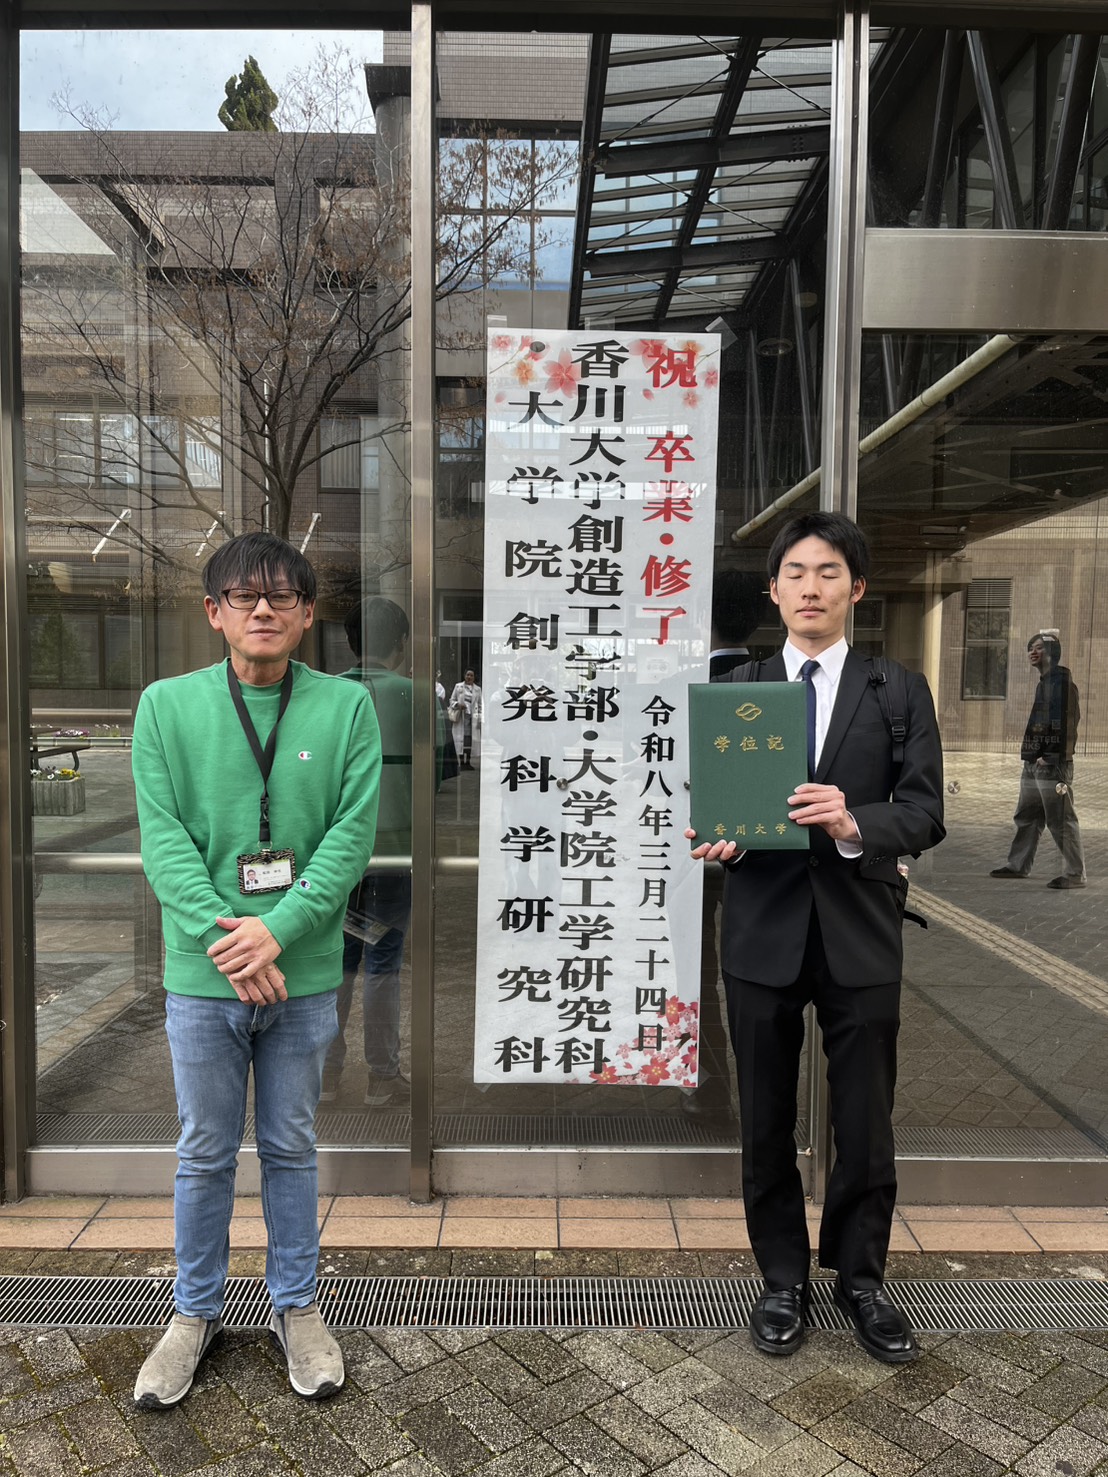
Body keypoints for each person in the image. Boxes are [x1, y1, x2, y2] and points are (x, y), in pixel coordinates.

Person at [686, 511, 944, 1365]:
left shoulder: (897, 689)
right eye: (794, 572)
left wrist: (852, 818)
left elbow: (924, 812)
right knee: (763, 1116)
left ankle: (861, 1280)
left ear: (856, 588)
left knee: (866, 1119)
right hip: (761, 928)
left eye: (829, 571)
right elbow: (713, 803)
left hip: (860, 932)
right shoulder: (740, 687)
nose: (810, 587)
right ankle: (781, 1278)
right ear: (772, 589)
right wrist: (719, 838)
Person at [131, 532, 381, 1410]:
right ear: (215, 612)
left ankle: (297, 1306)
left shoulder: (347, 707)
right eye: (245, 595)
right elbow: (163, 841)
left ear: (308, 614)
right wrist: (232, 942)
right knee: (203, 1150)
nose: (263, 608)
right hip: (206, 979)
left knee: (291, 1146)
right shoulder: (165, 706)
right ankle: (192, 1312)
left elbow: (351, 835)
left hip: (303, 974)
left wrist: (276, 932)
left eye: (282, 596)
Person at [322, 596, 444, 1106]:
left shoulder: (326, 695)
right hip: (396, 851)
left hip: (332, 855)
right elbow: (439, 773)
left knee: (336, 961)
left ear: (351, 642)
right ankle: (382, 1076)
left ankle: (325, 1076)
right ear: (402, 643)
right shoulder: (418, 695)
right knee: (383, 961)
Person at [686, 570, 770, 1123]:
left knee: (696, 973)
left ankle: (709, 1086)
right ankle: (763, 1097)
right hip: (764, 860)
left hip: (687, 859)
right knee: (758, 978)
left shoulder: (680, 684)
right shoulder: (779, 684)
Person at [990, 631, 1086, 889]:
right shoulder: (1045, 683)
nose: (1033, 651)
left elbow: (1068, 723)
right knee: (1027, 816)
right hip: (1035, 762)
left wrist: (1050, 756)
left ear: (1053, 652)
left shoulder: (1062, 684)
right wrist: (1032, 756)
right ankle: (1018, 865)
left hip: (1051, 765)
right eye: (1031, 647)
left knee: (1060, 819)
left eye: (1040, 647)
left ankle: (1075, 874)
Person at [448, 668, 482, 770]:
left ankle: (468, 762)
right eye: (468, 675)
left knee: (470, 741)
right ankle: (462, 762)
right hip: (461, 718)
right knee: (461, 740)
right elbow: (451, 700)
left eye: (471, 675)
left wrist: (480, 718)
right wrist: (458, 704)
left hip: (472, 719)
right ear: (464, 676)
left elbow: (480, 704)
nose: (469, 677)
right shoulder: (458, 686)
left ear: (474, 677)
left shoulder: (478, 689)